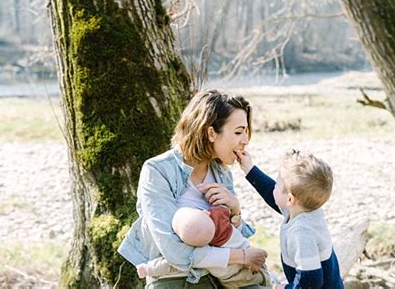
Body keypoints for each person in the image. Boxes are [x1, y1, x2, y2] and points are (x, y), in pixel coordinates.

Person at [118, 89, 269, 288]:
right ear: (211, 133)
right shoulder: (158, 170)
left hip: (221, 279)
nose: (245, 140)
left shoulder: (222, 173)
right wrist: (240, 257)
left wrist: (235, 210)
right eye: (239, 131)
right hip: (174, 280)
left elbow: (230, 236)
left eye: (246, 131)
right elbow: (174, 252)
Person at [235, 149, 344, 288]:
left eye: (277, 183)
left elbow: (310, 282)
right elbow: (273, 195)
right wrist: (249, 169)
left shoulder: (302, 233)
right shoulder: (305, 208)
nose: (274, 185)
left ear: (290, 199)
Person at [136, 206, 271, 288]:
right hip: (250, 264)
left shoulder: (202, 251)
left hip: (235, 281)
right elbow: (228, 211)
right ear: (206, 213)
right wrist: (235, 212)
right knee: (265, 281)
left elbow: (171, 264)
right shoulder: (218, 216)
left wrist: (148, 269)